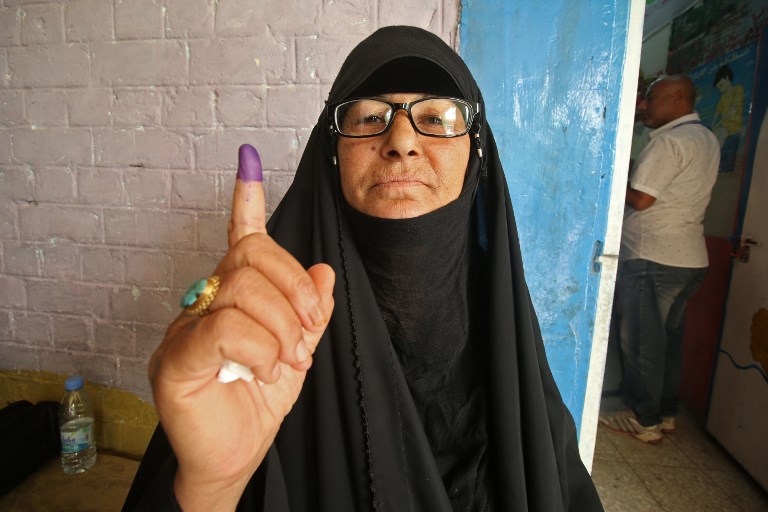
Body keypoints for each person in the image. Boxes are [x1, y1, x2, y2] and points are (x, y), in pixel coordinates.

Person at [123, 26, 603, 511]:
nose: (402, 141)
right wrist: (210, 485)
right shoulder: (267, 340)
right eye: (370, 116)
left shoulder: (508, 341)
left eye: (435, 118)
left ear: (475, 150)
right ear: (332, 151)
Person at [601, 75, 719, 444]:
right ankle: (665, 412)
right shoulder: (706, 138)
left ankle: (644, 418)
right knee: (667, 341)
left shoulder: (670, 141)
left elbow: (641, 199)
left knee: (642, 342)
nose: (644, 106)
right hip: (688, 259)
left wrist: (610, 174)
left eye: (651, 98)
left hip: (654, 256)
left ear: (678, 97)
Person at [711, 64, 744, 173]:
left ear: (727, 78)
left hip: (735, 132)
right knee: (722, 159)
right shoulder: (723, 98)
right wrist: (712, 126)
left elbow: (731, 111)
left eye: (721, 85)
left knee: (730, 160)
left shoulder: (738, 89)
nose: (721, 89)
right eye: (719, 88)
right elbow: (717, 112)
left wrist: (716, 125)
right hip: (725, 133)